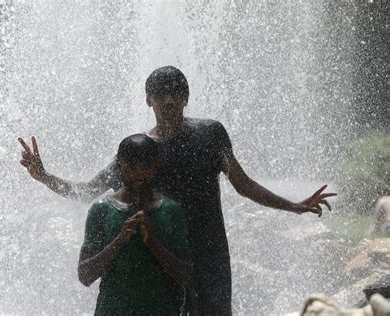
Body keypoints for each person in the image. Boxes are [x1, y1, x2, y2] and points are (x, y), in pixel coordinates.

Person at [19, 66, 336, 315]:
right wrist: (44, 176)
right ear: (149, 100)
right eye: (160, 94)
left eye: (175, 93)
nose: (168, 100)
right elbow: (89, 190)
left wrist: (294, 205)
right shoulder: (139, 151)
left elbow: (243, 184)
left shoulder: (210, 134)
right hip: (161, 256)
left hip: (209, 253)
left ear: (186, 98)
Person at [77, 134, 189, 315]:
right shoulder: (101, 210)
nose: (139, 173)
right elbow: (85, 275)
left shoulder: (170, 210)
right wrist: (120, 240)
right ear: (119, 165)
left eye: (146, 166)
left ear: (155, 166)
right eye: (131, 166)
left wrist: (152, 242)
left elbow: (185, 274)